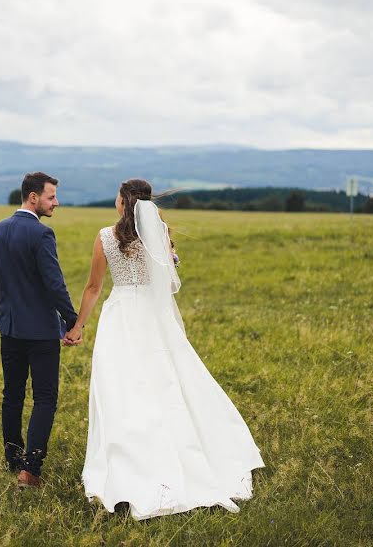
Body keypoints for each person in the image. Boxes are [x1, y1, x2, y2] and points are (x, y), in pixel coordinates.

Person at [67, 179, 265, 519]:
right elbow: (167, 274)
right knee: (165, 378)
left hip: (121, 316)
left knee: (121, 385)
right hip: (152, 316)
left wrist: (77, 326)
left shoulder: (104, 237)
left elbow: (94, 286)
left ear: (122, 202)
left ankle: (129, 453)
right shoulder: (158, 234)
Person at [0, 171, 81, 489]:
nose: (56, 202)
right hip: (40, 332)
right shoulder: (42, 235)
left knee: (11, 395)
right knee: (44, 398)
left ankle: (13, 459)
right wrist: (72, 321)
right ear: (33, 197)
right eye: (51, 197)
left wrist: (3, 318)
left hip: (10, 329)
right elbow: (55, 284)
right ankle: (30, 469)